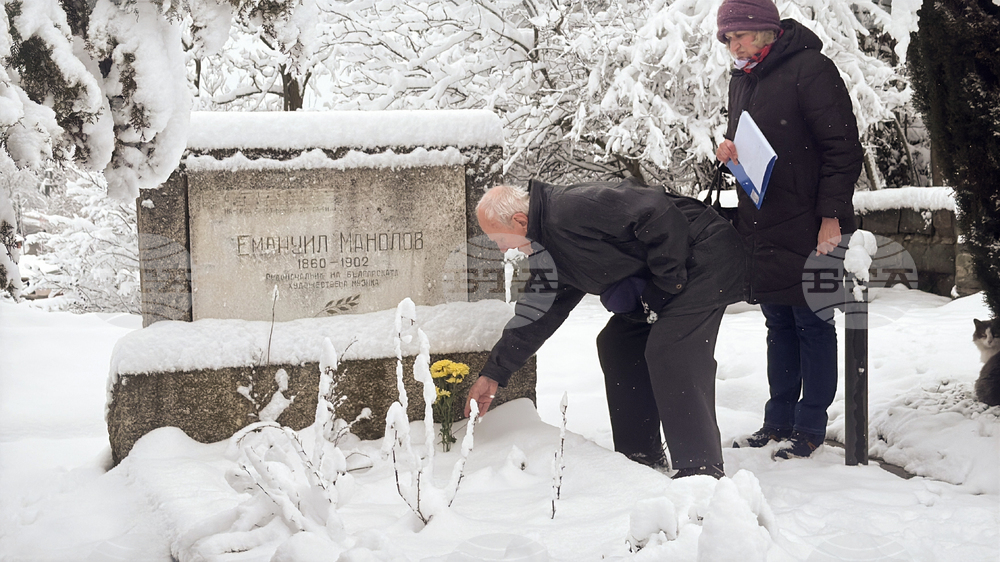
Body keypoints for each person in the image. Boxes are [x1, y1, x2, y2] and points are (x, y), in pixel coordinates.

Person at [463, 179, 745, 478]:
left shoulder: (571, 207)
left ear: (520, 221)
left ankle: (701, 467)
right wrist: (493, 373)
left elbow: (655, 210)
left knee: (671, 349)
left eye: (499, 239)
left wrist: (665, 284)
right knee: (618, 343)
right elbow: (537, 313)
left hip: (704, 256)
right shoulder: (548, 249)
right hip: (669, 276)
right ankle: (640, 456)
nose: (503, 249)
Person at [714, 0, 863, 458]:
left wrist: (831, 217)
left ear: (764, 30)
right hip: (764, 222)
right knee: (778, 323)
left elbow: (842, 148)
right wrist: (729, 152)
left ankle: (810, 427)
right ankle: (777, 421)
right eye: (727, 38)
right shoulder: (742, 80)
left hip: (814, 224)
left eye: (739, 36)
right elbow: (756, 146)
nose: (733, 46)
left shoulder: (811, 69)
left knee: (812, 323)